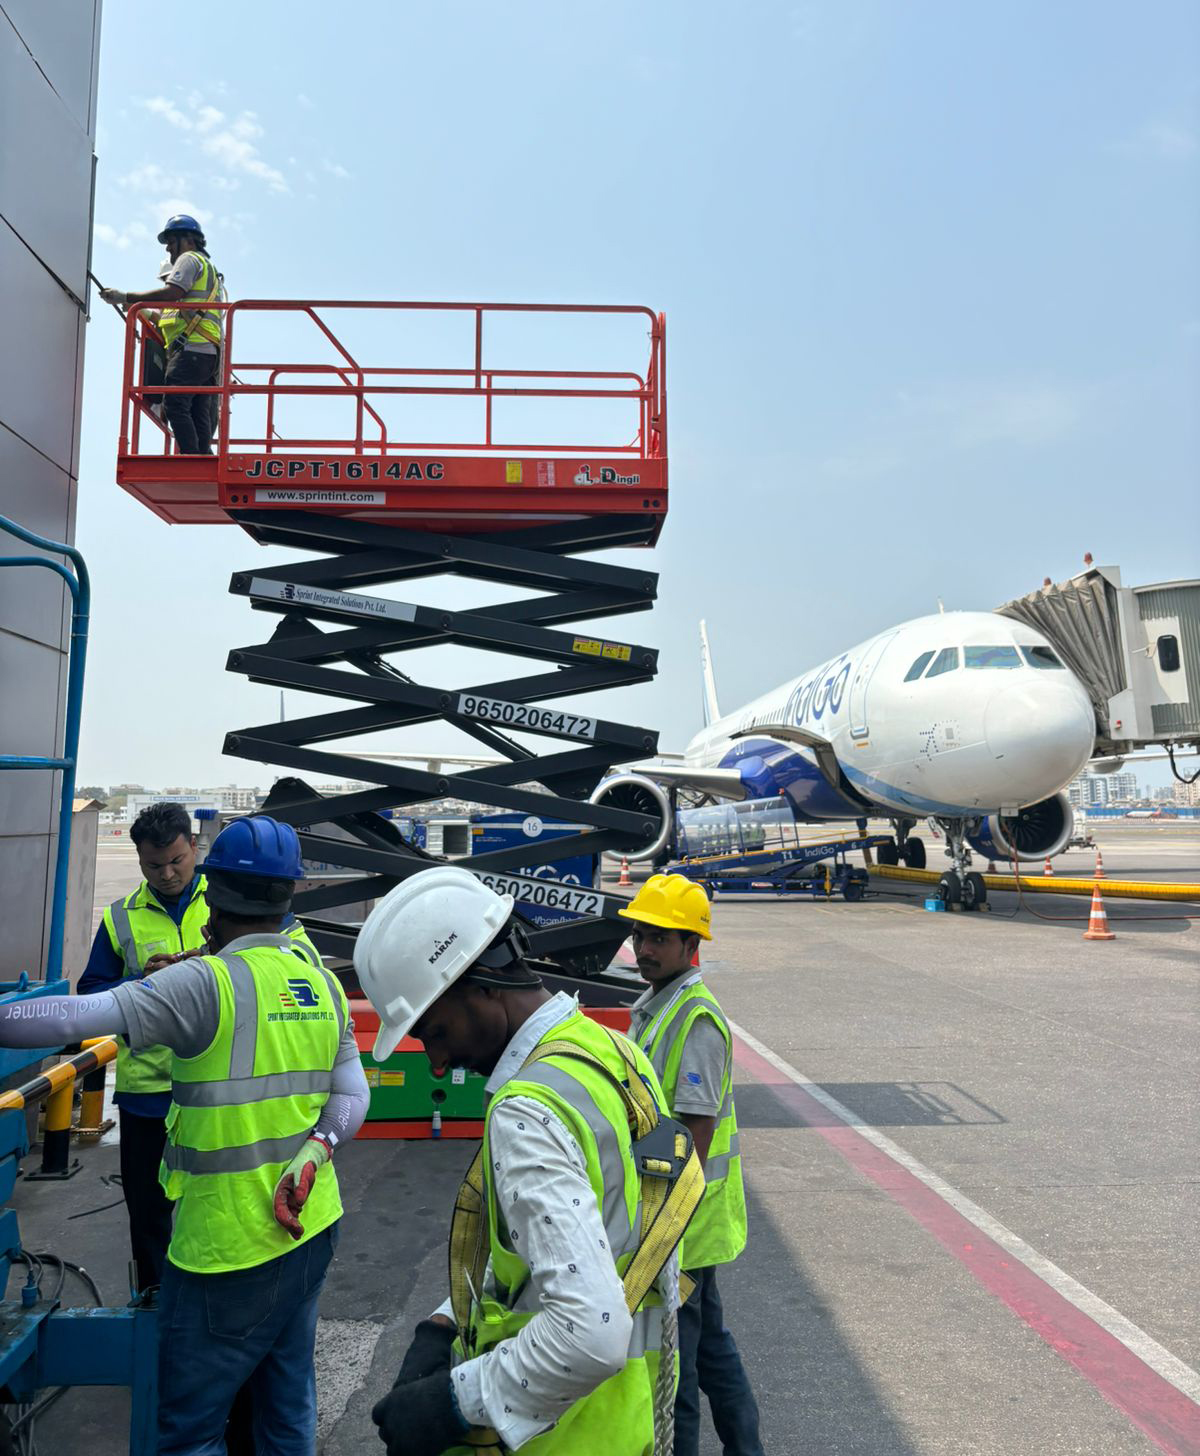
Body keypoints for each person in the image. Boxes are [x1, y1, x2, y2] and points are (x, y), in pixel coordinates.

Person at [0, 815, 368, 1456]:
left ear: (212, 894)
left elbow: (68, 1016)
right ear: (289, 896)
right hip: (311, 1228)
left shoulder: (202, 983)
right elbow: (352, 1095)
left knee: (191, 1430)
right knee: (287, 1412)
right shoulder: (322, 982)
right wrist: (319, 1147)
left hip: (224, 1248)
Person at [354, 865, 704, 1456]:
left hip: (559, 1439)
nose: (435, 1062)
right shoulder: (610, 1051)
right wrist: (444, 1322)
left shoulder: (529, 1110)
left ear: (484, 983)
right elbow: (578, 1243)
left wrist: (451, 1402)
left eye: (434, 1031)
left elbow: (589, 1334)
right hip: (618, 1421)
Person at [79, 801, 328, 1299]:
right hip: (148, 1095)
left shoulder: (230, 900)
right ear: (139, 859)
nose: (167, 874)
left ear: (194, 847)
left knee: (223, 1203)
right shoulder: (120, 918)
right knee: (148, 1212)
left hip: (216, 1091)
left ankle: (221, 1299)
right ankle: (155, 1301)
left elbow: (299, 958)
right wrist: (141, 983)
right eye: (154, 865)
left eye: (177, 860)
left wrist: (215, 960)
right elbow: (91, 995)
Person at [621, 874, 764, 1456]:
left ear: (691, 944)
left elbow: (695, 1132)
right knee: (711, 1349)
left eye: (660, 938)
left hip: (685, 1223)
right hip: (685, 1220)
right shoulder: (659, 1006)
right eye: (640, 935)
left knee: (672, 1370)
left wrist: (663, 1228)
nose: (645, 948)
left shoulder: (696, 1018)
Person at [100, 213, 225, 455]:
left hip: (192, 349)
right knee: (197, 410)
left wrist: (126, 296)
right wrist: (143, 311)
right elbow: (175, 312)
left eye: (171, 241)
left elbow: (171, 294)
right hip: (207, 352)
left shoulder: (188, 259)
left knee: (175, 404)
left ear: (188, 239)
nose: (168, 248)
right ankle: (202, 458)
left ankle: (191, 458)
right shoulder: (208, 267)